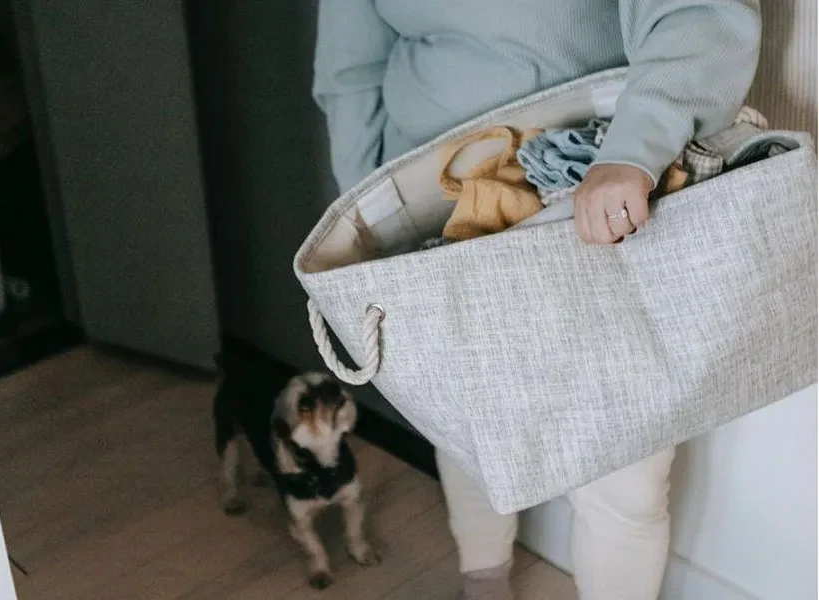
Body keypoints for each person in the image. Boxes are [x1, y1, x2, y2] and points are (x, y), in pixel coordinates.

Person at [312, 2, 761, 599]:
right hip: (433, 207)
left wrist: (635, 150)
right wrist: (368, 208)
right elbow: (350, 71)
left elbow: (699, 13)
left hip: (596, 189)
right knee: (469, 428)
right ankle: (484, 578)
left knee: (624, 473)